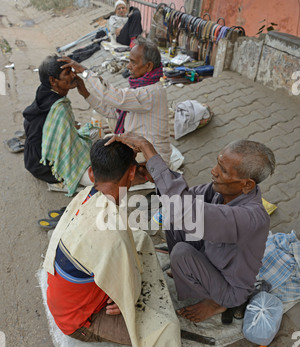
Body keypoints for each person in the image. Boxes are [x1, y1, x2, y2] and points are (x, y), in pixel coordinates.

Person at [106, 132, 275, 324]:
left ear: (247, 185)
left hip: (230, 288)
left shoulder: (251, 218)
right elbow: (184, 200)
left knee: (181, 252)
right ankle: (186, 273)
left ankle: (218, 302)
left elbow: (185, 210)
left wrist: (147, 149)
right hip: (209, 257)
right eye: (217, 164)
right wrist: (157, 177)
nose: (214, 171)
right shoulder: (223, 190)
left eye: (224, 170)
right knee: (173, 216)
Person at [42, 138, 181, 347]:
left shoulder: (86, 195)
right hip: (78, 322)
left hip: (65, 300)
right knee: (164, 329)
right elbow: (129, 287)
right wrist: (124, 298)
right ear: (133, 172)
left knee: (140, 239)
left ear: (91, 173)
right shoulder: (111, 234)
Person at [59, 36, 183, 180]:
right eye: (129, 61)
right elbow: (112, 111)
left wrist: (86, 72)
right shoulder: (141, 86)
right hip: (140, 144)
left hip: (153, 156)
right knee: (106, 141)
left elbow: (115, 97)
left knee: (106, 159)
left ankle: (142, 177)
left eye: (133, 62)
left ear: (148, 66)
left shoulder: (151, 92)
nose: (128, 66)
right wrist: (85, 92)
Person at [23, 55, 95, 196]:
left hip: (31, 158)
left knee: (92, 133)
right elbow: (69, 150)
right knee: (101, 177)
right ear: (53, 80)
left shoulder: (45, 91)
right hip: (44, 166)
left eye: (72, 70)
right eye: (67, 73)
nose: (74, 75)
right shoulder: (59, 109)